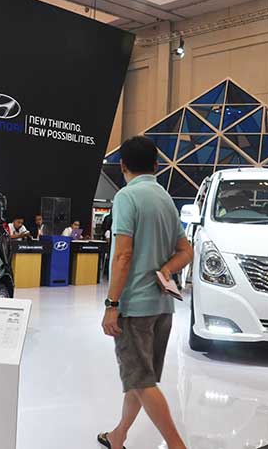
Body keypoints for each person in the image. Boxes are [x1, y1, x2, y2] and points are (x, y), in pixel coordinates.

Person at [99, 136, 193, 449]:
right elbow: (186, 251)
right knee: (139, 380)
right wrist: (166, 269)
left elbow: (123, 255)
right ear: (156, 165)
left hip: (135, 308)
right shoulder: (165, 199)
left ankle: (177, 446)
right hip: (163, 307)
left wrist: (112, 304)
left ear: (122, 165)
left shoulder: (127, 197)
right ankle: (118, 436)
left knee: (140, 381)